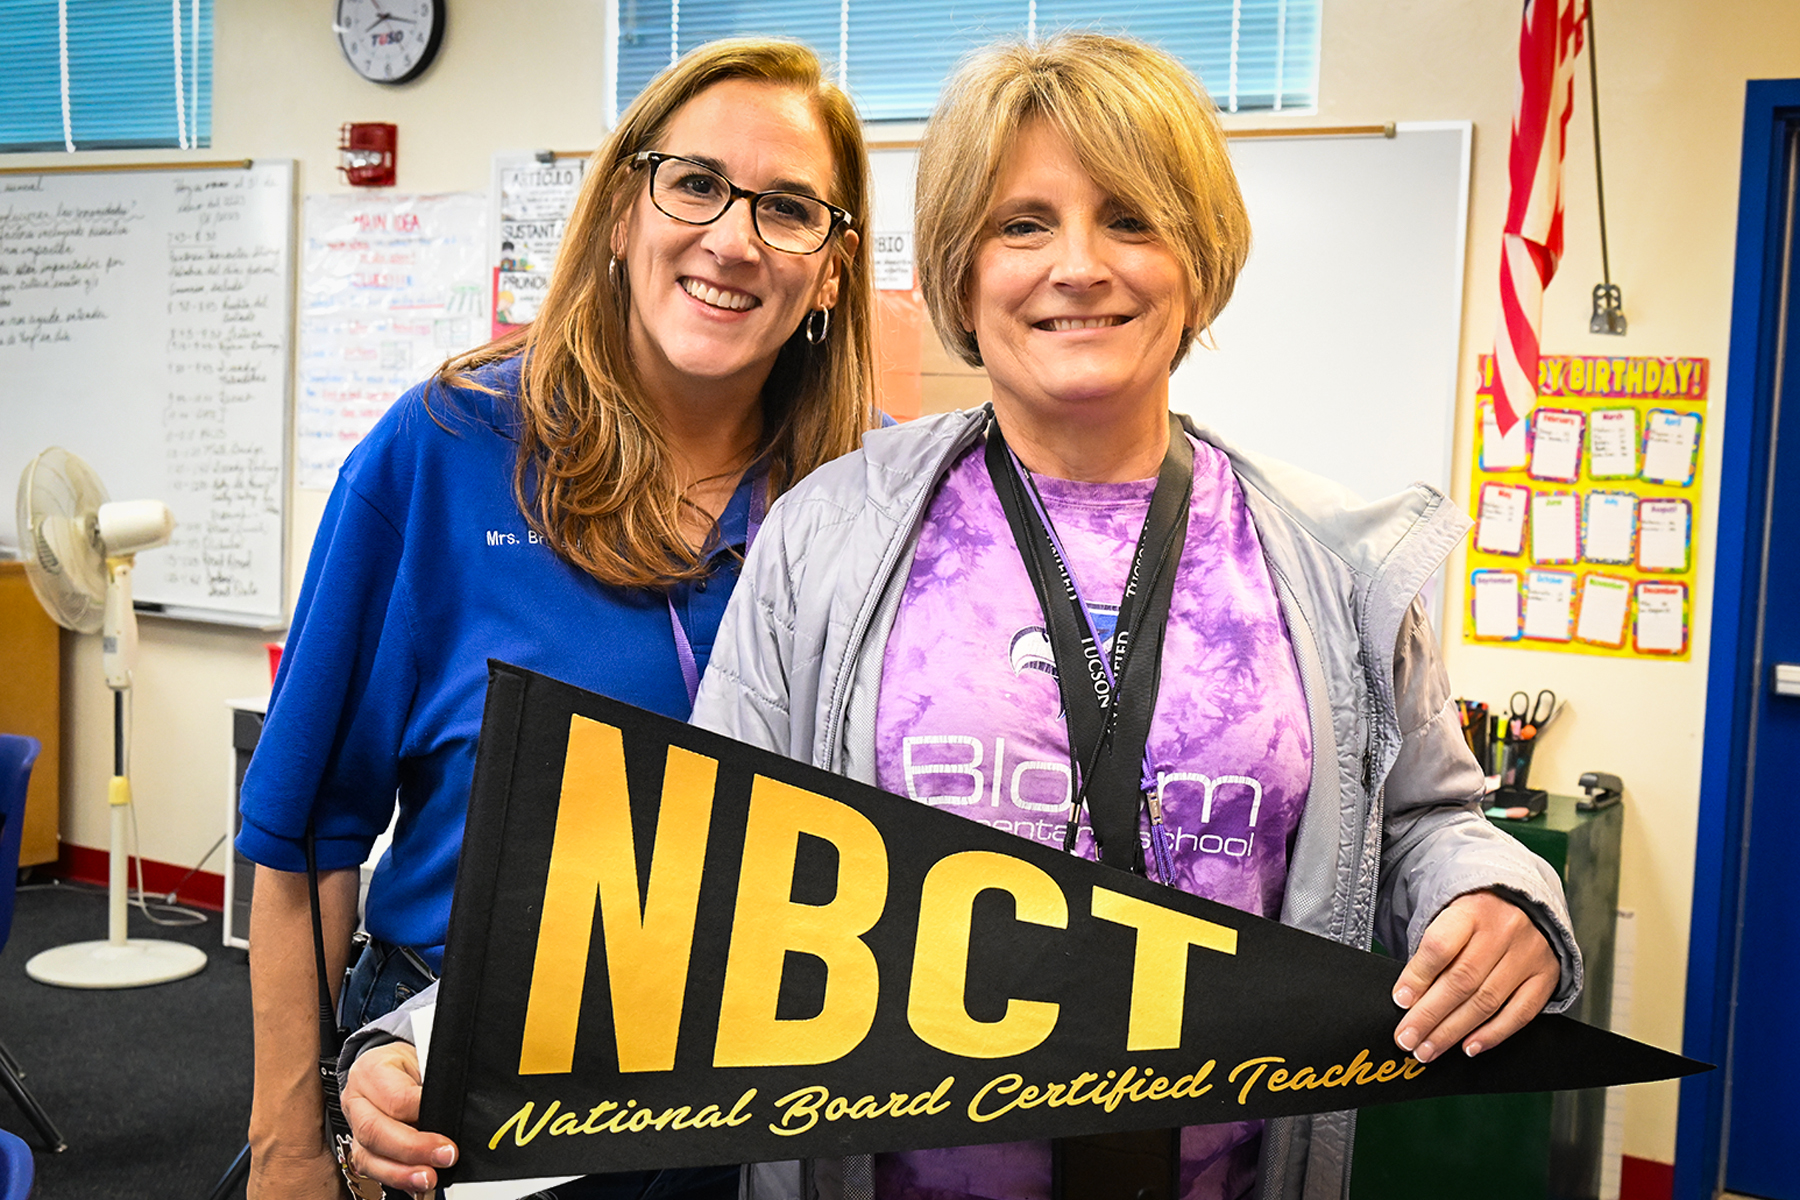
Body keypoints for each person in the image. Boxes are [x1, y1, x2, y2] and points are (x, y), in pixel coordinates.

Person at [688, 32, 1581, 1200]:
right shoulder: (827, 539)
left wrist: (1499, 896)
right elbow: (694, 857)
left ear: (1198, 261)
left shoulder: (1333, 558)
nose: (1078, 266)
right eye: (1022, 223)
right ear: (962, 267)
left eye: (1130, 219)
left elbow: (1425, 821)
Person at [235, 38, 875, 1200]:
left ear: (832, 271)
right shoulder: (445, 451)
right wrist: (290, 1142)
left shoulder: (866, 506)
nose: (733, 239)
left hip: (759, 1096)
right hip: (456, 1085)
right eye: (696, 184)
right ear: (626, 210)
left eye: (789, 208)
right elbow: (305, 833)